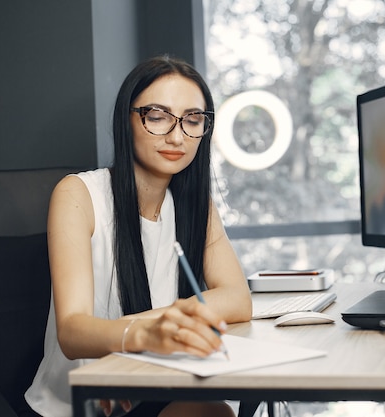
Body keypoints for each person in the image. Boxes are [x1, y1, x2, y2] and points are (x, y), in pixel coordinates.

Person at [25, 55, 253, 417]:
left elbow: (238, 299)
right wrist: (150, 335)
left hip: (154, 384)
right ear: (127, 120)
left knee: (216, 410)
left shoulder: (196, 205)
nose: (177, 136)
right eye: (157, 116)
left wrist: (165, 322)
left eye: (193, 120)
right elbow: (72, 331)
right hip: (80, 403)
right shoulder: (78, 195)